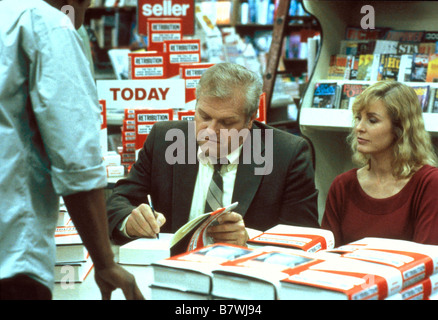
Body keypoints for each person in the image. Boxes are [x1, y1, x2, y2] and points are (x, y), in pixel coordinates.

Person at [0, 0, 143, 300]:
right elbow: (76, 159)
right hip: (13, 259)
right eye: (88, 5)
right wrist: (105, 262)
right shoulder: (46, 24)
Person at [107, 62, 319, 250]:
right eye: (204, 116)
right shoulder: (165, 140)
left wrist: (250, 240)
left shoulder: (286, 154)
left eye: (227, 123)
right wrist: (129, 221)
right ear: (196, 106)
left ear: (250, 121)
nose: (211, 130)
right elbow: (117, 201)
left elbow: (304, 237)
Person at [321, 80, 438, 246]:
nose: (359, 128)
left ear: (400, 128)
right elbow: (325, 256)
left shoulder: (429, 183)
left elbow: (426, 260)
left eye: (372, 120)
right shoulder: (343, 185)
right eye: (358, 118)